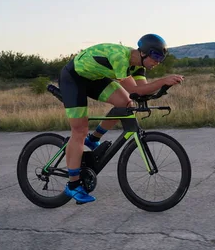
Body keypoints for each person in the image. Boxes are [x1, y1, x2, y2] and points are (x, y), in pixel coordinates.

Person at [59, 34, 184, 203]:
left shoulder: (138, 67)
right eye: (155, 56)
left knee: (126, 103)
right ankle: (73, 186)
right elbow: (138, 90)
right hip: (74, 78)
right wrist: (163, 81)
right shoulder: (120, 57)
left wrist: (163, 87)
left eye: (161, 59)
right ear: (144, 53)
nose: (158, 62)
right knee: (79, 130)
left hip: (94, 78)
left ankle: (93, 139)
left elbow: (142, 90)